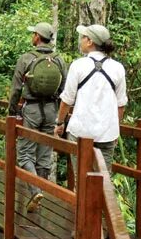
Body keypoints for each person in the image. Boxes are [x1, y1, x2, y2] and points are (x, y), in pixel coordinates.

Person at [8, 22, 67, 213]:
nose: (32, 36)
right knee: (45, 154)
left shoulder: (26, 58)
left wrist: (12, 112)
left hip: (31, 109)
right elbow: (63, 89)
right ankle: (40, 193)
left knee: (25, 153)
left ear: (38, 37)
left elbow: (16, 89)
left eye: (33, 34)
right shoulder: (59, 60)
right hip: (51, 109)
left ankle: (35, 191)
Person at [54, 24, 127, 171]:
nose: (80, 40)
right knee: (103, 179)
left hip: (81, 132)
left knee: (80, 180)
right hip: (106, 134)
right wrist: (114, 129)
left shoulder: (78, 65)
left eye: (83, 37)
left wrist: (60, 122)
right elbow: (121, 105)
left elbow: (67, 100)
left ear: (90, 42)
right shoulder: (118, 68)